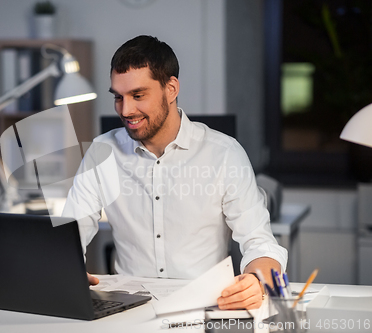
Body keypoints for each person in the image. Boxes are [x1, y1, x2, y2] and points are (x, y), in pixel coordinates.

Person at [62, 35, 287, 310]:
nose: (126, 110)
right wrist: (64, 269)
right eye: (118, 98)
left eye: (138, 95)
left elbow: (259, 242)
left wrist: (256, 280)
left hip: (207, 305)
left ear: (171, 88)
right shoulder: (101, 152)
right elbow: (70, 230)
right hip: (130, 308)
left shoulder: (224, 153)